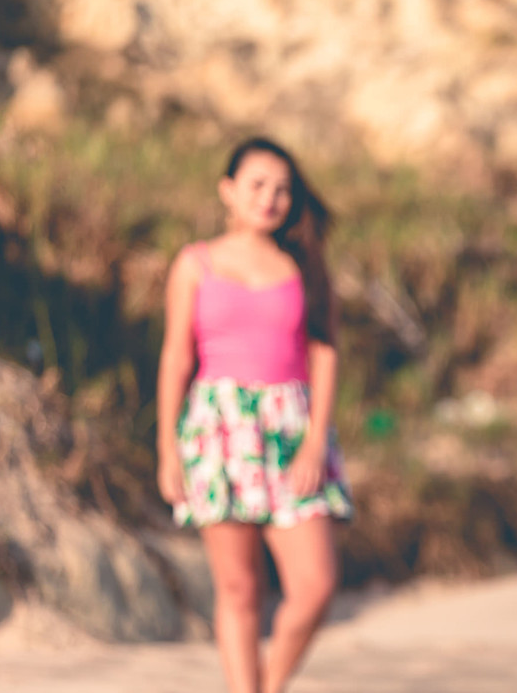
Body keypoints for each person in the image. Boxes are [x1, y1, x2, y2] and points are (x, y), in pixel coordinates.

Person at [156, 137, 353, 693]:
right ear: (228, 191)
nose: (270, 199)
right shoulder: (195, 264)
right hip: (219, 427)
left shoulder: (304, 265)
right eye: (258, 186)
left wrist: (316, 439)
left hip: (292, 428)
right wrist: (168, 449)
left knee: (315, 586)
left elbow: (325, 351)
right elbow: (176, 357)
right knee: (240, 589)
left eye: (283, 189)